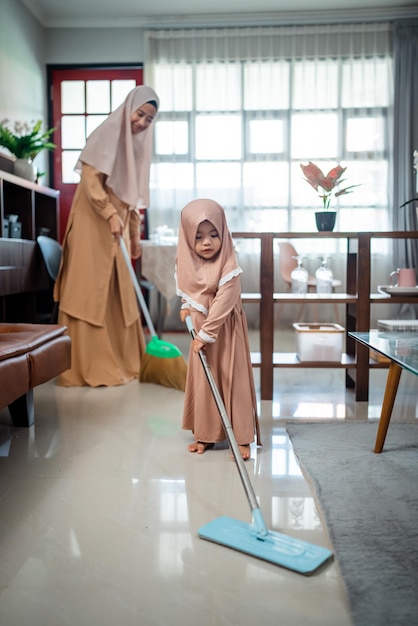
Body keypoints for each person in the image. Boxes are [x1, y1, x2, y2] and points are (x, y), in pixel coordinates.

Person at [54, 85, 159, 386]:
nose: (141, 123)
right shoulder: (104, 135)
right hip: (92, 221)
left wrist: (134, 235)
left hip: (118, 227)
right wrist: (109, 213)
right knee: (90, 288)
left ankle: (122, 361)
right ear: (128, 108)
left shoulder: (137, 148)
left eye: (148, 120)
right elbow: (91, 182)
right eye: (139, 114)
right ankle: (84, 366)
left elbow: (130, 200)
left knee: (120, 291)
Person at [176, 198, 261, 460]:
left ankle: (242, 438)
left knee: (230, 378)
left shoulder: (229, 265)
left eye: (214, 234)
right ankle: (206, 435)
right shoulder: (186, 261)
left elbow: (225, 301)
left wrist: (206, 334)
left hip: (223, 333)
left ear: (223, 232)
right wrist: (186, 306)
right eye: (199, 236)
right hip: (201, 334)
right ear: (188, 237)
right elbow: (191, 290)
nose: (207, 242)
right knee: (205, 381)